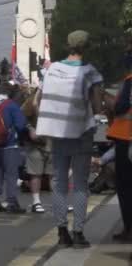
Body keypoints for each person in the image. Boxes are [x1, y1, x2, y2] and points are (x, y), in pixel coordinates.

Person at [36, 30, 104, 249]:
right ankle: (79, 233)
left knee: (59, 182)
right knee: (81, 185)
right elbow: (97, 106)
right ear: (86, 47)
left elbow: (39, 100)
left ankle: (61, 232)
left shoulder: (53, 69)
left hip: (57, 132)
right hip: (81, 133)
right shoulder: (90, 72)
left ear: (68, 45)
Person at [0, 84, 28, 214]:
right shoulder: (11, 105)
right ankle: (12, 202)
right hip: (9, 144)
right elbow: (21, 125)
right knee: (11, 174)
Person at [106, 46, 132, 242]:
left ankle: (129, 229)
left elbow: (122, 107)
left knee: (125, 187)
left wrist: (111, 105)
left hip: (127, 139)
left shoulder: (130, 82)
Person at [21, 88, 51, 213]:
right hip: (36, 144)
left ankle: (61, 201)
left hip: (51, 142)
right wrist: (29, 128)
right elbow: (21, 119)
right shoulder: (29, 104)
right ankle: (36, 202)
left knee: (55, 175)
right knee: (36, 174)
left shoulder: (53, 102)